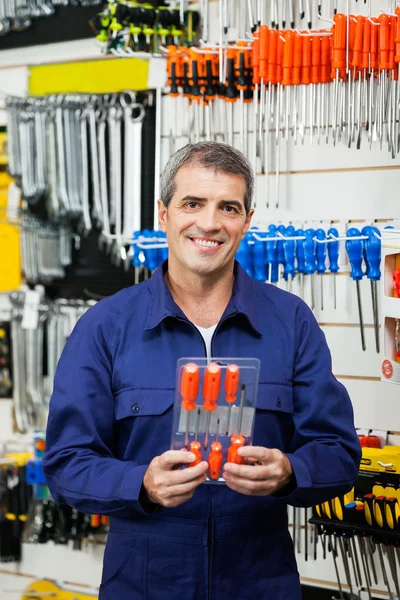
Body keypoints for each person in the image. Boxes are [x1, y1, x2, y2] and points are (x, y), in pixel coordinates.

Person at [43, 142, 361, 600]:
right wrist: (141, 484)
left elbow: (338, 453)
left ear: (247, 220)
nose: (209, 223)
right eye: (192, 203)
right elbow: (66, 464)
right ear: (164, 213)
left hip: (260, 584)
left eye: (228, 207)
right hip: (145, 586)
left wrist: (291, 471)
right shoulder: (105, 327)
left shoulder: (290, 321)